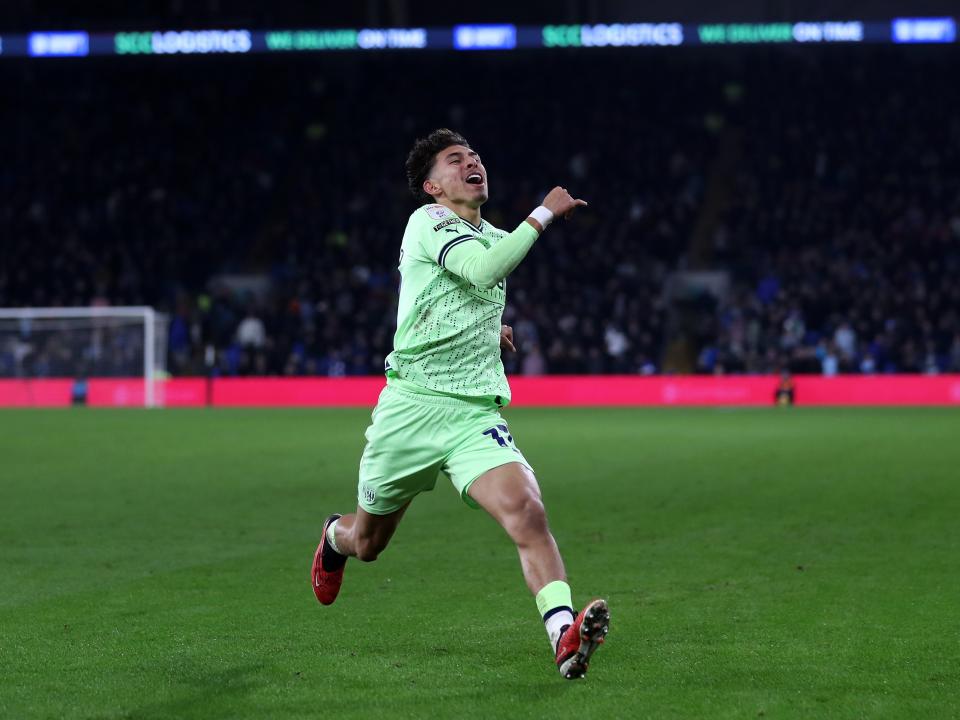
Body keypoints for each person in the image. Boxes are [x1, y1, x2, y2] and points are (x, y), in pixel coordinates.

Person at [311, 128, 609, 679]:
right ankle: (334, 538)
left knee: (527, 512)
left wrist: (489, 330)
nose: (472, 162)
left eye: (475, 155)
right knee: (369, 543)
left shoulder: (492, 234)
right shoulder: (426, 223)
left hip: (473, 414)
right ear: (432, 186)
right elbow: (480, 271)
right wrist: (542, 213)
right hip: (412, 409)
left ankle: (562, 636)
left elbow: (462, 291)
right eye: (456, 159)